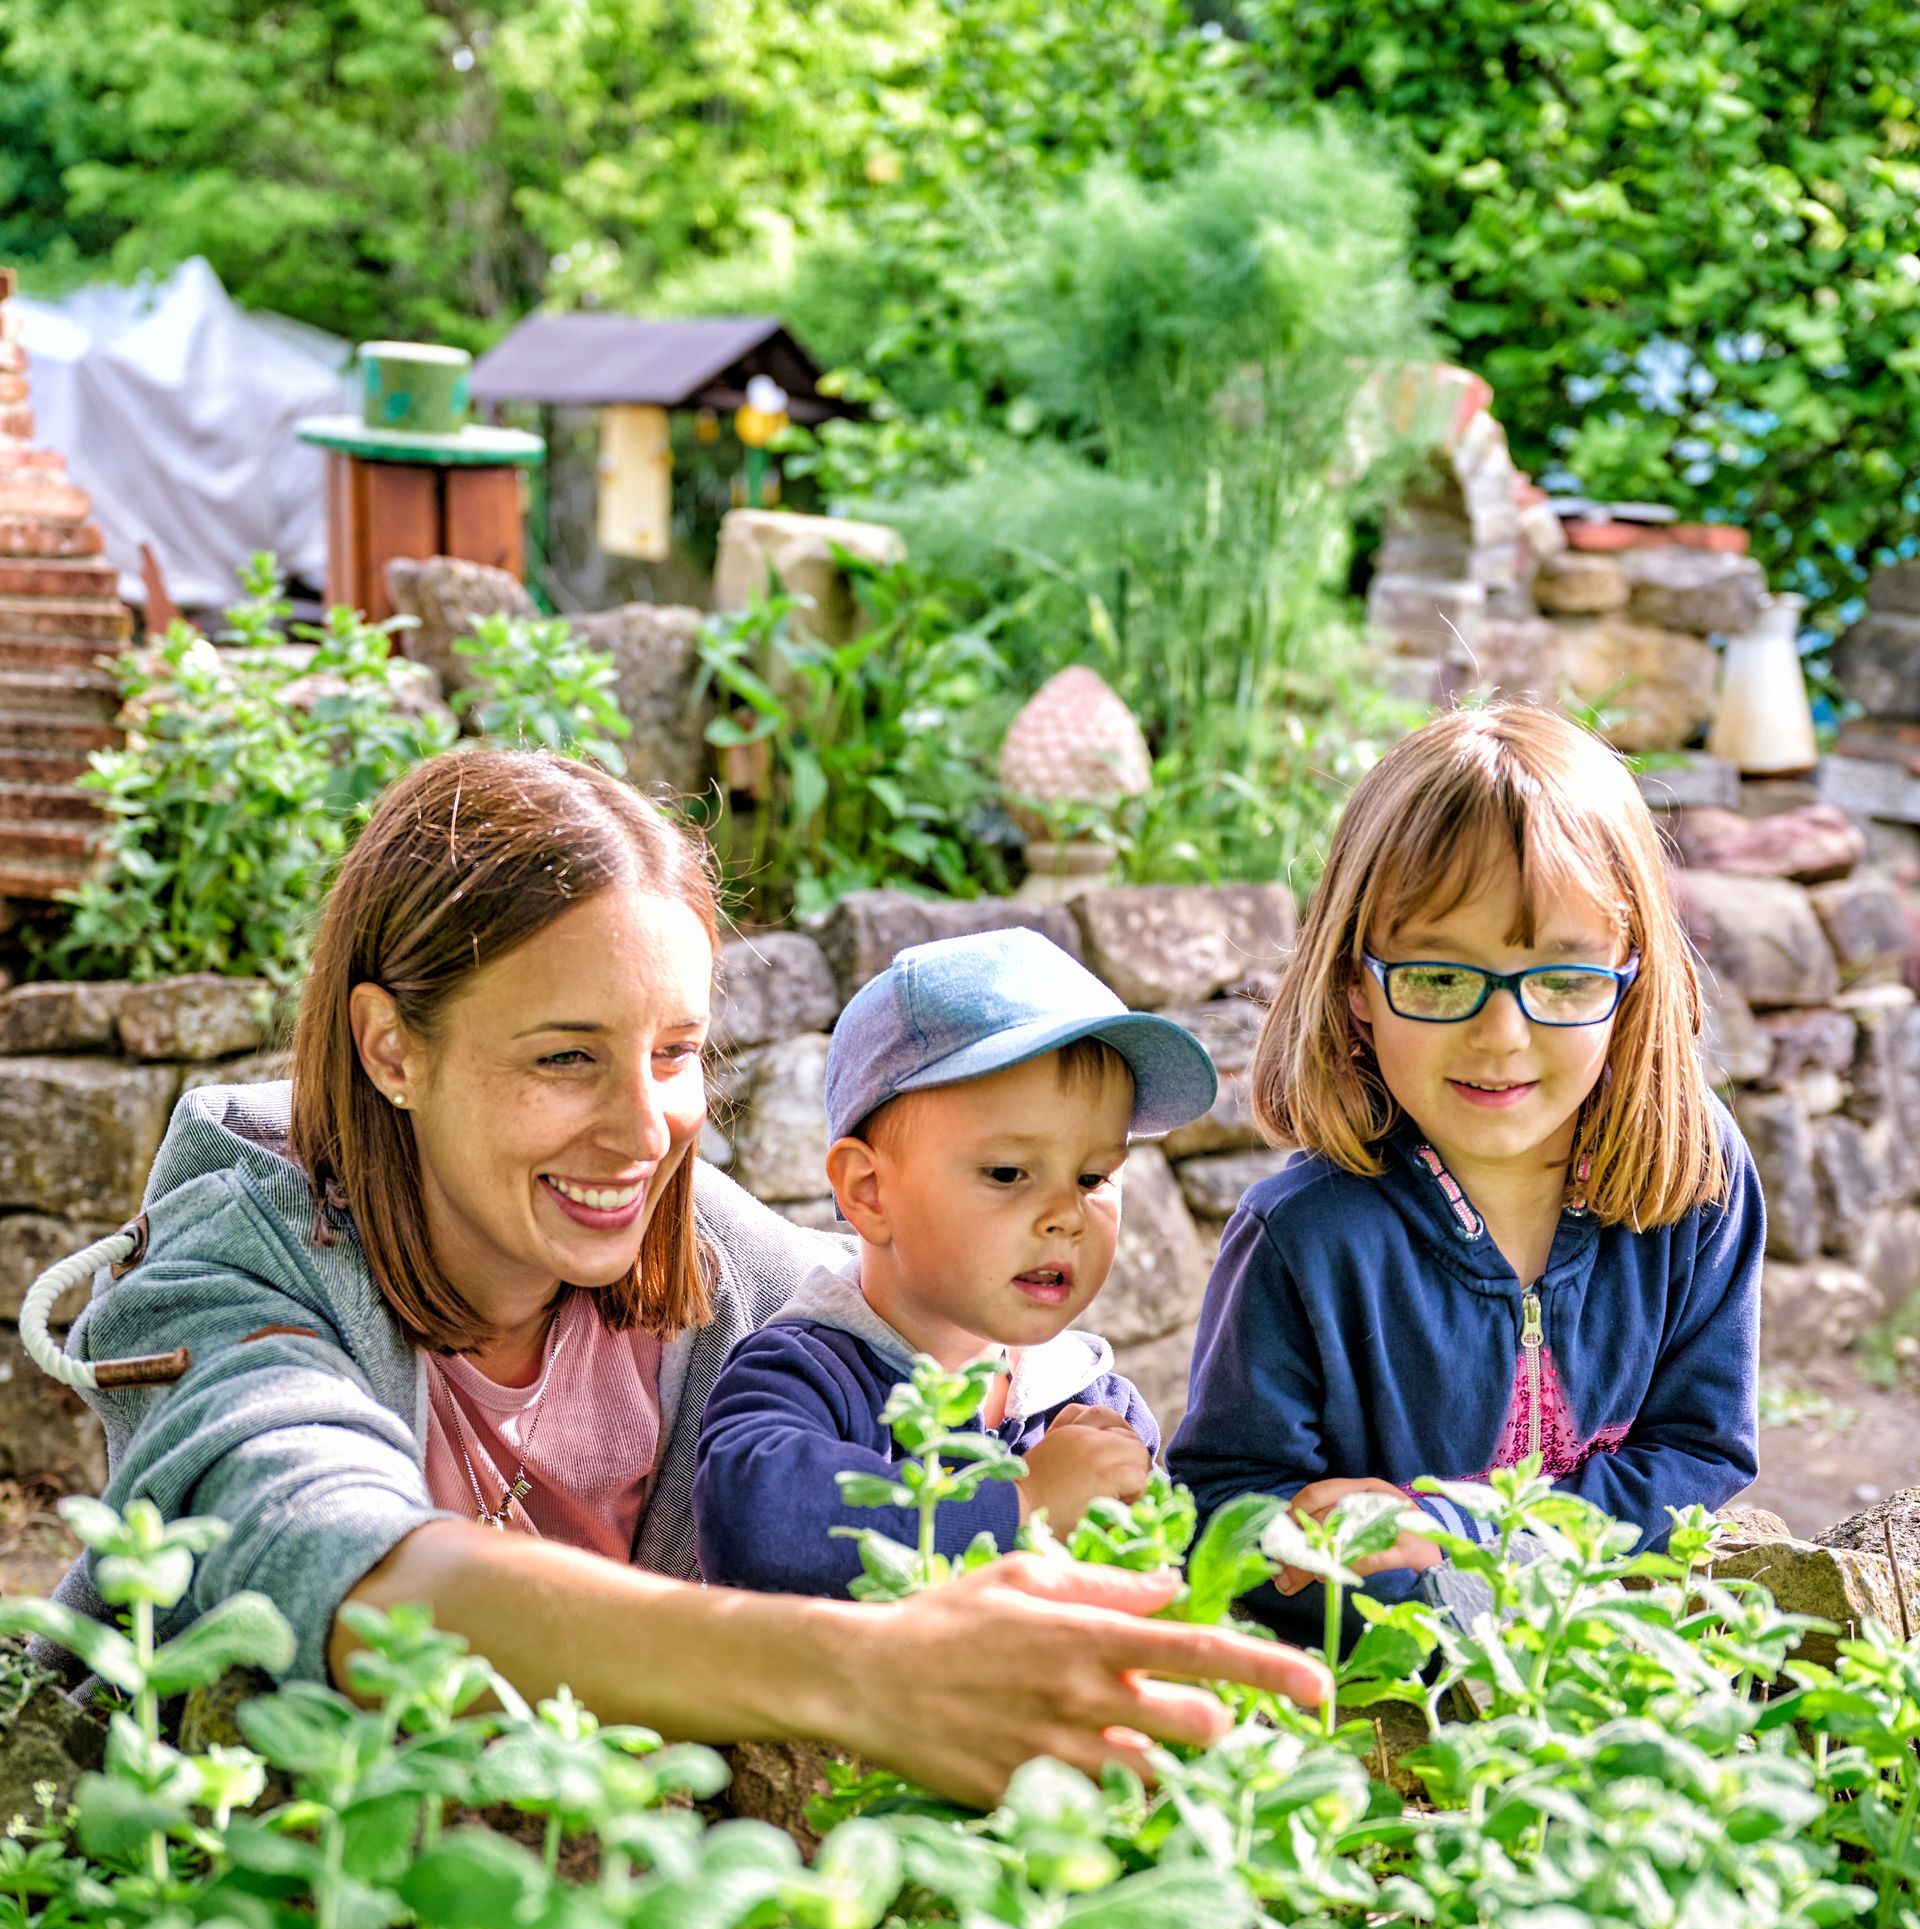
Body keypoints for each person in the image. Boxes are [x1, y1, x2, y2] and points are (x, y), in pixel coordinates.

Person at [47, 747, 1325, 1795]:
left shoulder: (736, 1275)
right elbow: (348, 1561)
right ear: (392, 1047)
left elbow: (925, 1301)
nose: (642, 1127)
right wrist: (855, 1671)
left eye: (675, 1052)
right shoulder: (228, 1279)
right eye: (564, 1058)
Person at [1168, 703, 1765, 1642]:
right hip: (1388, 1699)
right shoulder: (1303, 1237)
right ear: (1357, 988)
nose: (1502, 1038)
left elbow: (1698, 1450)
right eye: (1441, 978)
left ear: (1632, 981)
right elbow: (1225, 1500)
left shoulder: (1699, 1181)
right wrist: (1336, 1554)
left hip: (1618, 1661)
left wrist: (1463, 1536)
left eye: (1565, 980)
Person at [693, 929, 1217, 1597]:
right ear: (869, 1191)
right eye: (1008, 1171)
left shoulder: (1094, 1404)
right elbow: (756, 1526)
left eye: (1093, 1177)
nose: (1067, 1213)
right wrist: (1021, 1508)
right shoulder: (806, 1374)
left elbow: (1160, 1584)